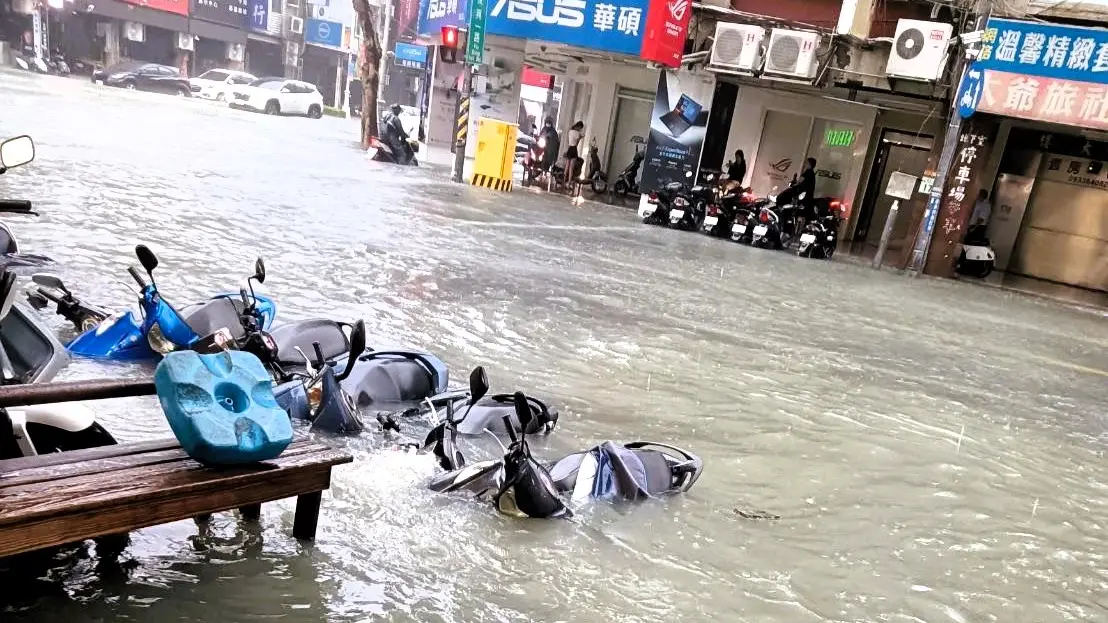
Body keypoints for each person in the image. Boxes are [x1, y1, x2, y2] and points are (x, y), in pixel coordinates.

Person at [564, 121, 584, 186]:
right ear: (579, 127)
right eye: (580, 128)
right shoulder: (577, 133)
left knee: (567, 166)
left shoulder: (570, 131)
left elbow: (570, 141)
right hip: (574, 149)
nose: (580, 129)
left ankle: (564, 180)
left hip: (569, 148)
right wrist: (580, 138)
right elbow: (576, 144)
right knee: (571, 168)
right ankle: (569, 182)